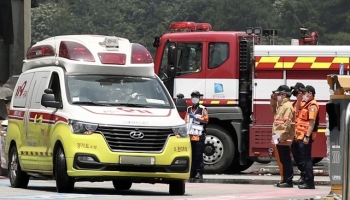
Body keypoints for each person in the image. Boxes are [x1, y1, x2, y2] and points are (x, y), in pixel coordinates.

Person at [293, 85, 319, 189]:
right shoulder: (305, 104)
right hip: (299, 135)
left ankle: (309, 182)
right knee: (300, 158)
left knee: (306, 159)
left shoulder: (313, 106)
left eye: (305, 93)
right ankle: (305, 178)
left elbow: (311, 123)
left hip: (305, 136)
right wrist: (299, 99)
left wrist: (307, 136)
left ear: (310, 94)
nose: (303, 95)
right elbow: (297, 110)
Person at [270, 85, 295, 188]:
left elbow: (287, 123)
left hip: (282, 137)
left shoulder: (287, 106)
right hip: (277, 136)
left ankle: (288, 180)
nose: (278, 96)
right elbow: (273, 109)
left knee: (285, 159)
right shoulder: (281, 105)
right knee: (280, 158)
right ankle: (284, 179)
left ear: (284, 95)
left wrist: (283, 137)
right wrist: (273, 98)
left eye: (279, 94)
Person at [184, 90, 208, 180]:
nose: (194, 98)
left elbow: (206, 120)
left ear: (199, 98)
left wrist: (196, 117)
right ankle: (192, 172)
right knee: (191, 154)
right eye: (193, 96)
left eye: (196, 97)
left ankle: (199, 172)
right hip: (190, 135)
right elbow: (185, 119)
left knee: (198, 154)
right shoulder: (189, 109)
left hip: (198, 135)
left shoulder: (202, 109)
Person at [290, 82, 307, 185]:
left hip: (302, 135)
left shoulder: (305, 103)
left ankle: (305, 176)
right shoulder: (294, 103)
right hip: (295, 134)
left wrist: (300, 98)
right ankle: (303, 174)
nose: (295, 93)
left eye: (297, 91)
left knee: (303, 157)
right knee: (297, 157)